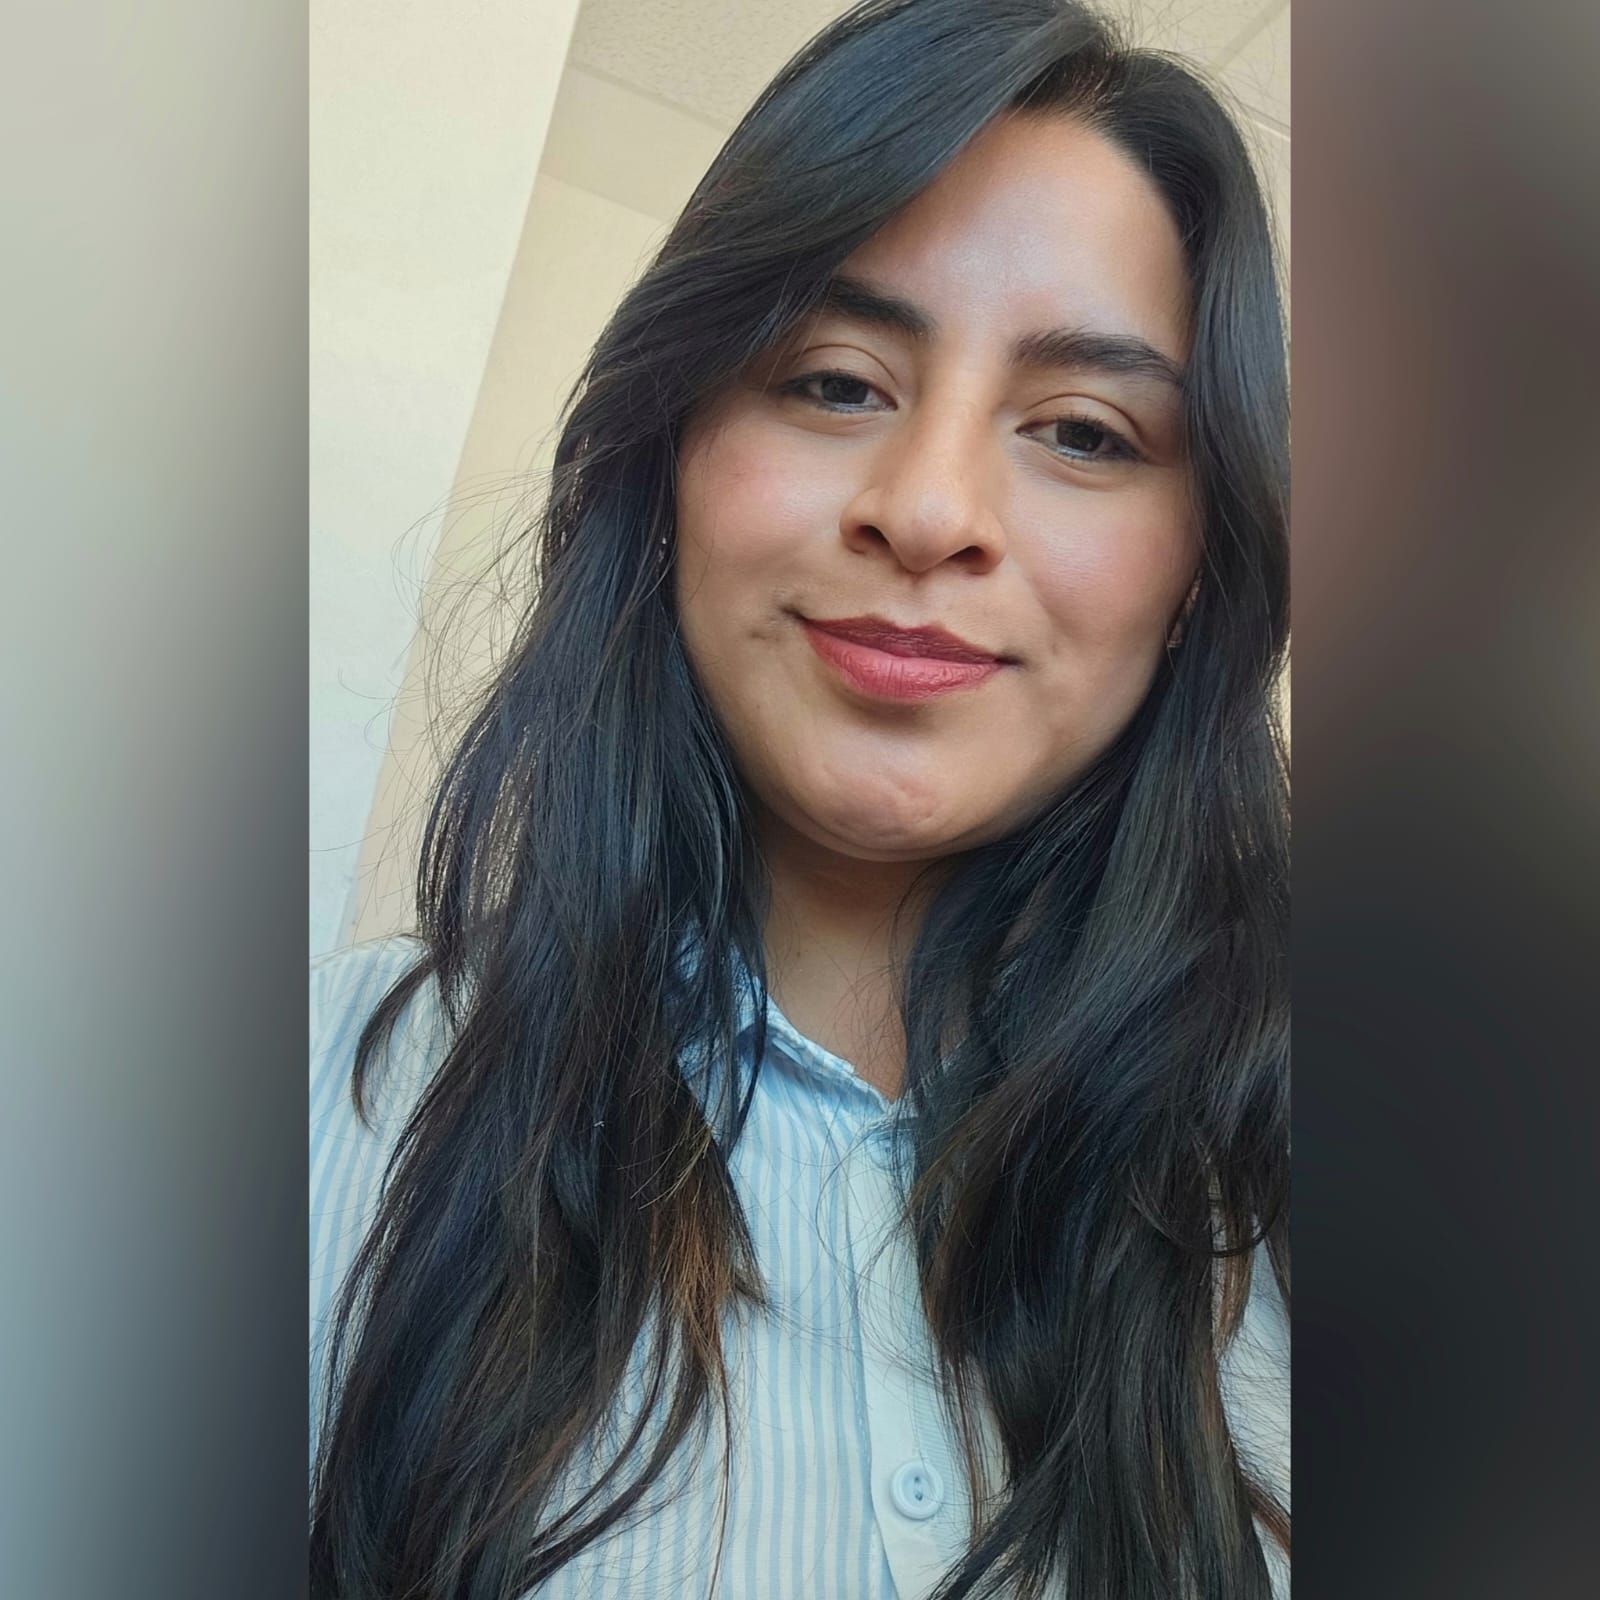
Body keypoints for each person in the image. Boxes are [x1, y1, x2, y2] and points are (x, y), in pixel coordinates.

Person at [310, 1, 1290, 1595]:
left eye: (1083, 431)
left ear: (1198, 570)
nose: (929, 510)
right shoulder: (318, 1102)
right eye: (835, 384)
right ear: (675, 453)